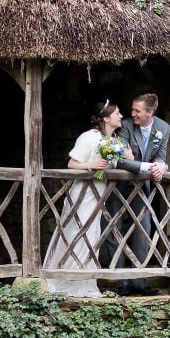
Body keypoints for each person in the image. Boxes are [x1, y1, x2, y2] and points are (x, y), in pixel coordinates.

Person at [42, 100, 134, 298]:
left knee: (92, 237)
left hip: (99, 194)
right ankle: (67, 281)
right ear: (107, 118)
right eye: (117, 113)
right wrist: (91, 165)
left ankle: (84, 282)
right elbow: (72, 164)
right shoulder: (89, 137)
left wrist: (129, 156)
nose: (121, 116)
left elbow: (117, 165)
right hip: (83, 194)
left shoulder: (113, 140)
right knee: (76, 234)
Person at [111, 90, 170, 295]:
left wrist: (162, 167)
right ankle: (119, 282)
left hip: (140, 188)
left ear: (150, 113)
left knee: (143, 229)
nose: (132, 113)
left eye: (137, 111)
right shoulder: (125, 126)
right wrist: (148, 166)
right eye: (132, 110)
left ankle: (140, 281)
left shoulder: (163, 128)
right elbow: (119, 159)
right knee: (114, 228)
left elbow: (161, 157)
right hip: (117, 186)